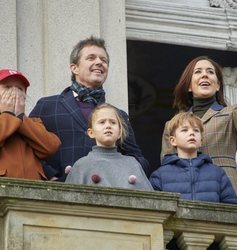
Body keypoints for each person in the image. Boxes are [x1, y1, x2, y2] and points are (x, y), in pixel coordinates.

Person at [29, 36, 150, 181]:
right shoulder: (47, 106)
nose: (99, 62)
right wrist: (51, 175)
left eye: (103, 60)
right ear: (74, 68)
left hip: (105, 193)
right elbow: (27, 146)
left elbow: (138, 160)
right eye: (91, 58)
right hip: (59, 193)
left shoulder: (119, 116)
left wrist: (118, 175)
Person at [161, 32, 237, 205]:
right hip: (189, 193)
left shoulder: (230, 115)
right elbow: (168, 167)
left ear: (218, 85)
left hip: (228, 192)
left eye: (210, 72)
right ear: (188, 85)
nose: (205, 75)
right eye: (198, 72)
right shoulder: (173, 125)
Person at [150, 112, 237, 204]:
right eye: (185, 130)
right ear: (173, 140)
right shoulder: (160, 175)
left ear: (201, 141)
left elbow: (232, 209)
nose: (192, 133)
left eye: (196, 130)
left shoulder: (217, 173)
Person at [66, 103, 153, 190]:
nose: (108, 126)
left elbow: (150, 200)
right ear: (91, 133)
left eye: (113, 122)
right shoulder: (81, 166)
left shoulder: (133, 164)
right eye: (102, 122)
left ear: (119, 133)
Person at [0, 69, 61, 180]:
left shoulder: (32, 123)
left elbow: (51, 147)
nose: (14, 93)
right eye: (7, 87)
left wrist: (21, 118)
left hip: (33, 192)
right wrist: (8, 115)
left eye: (20, 89)